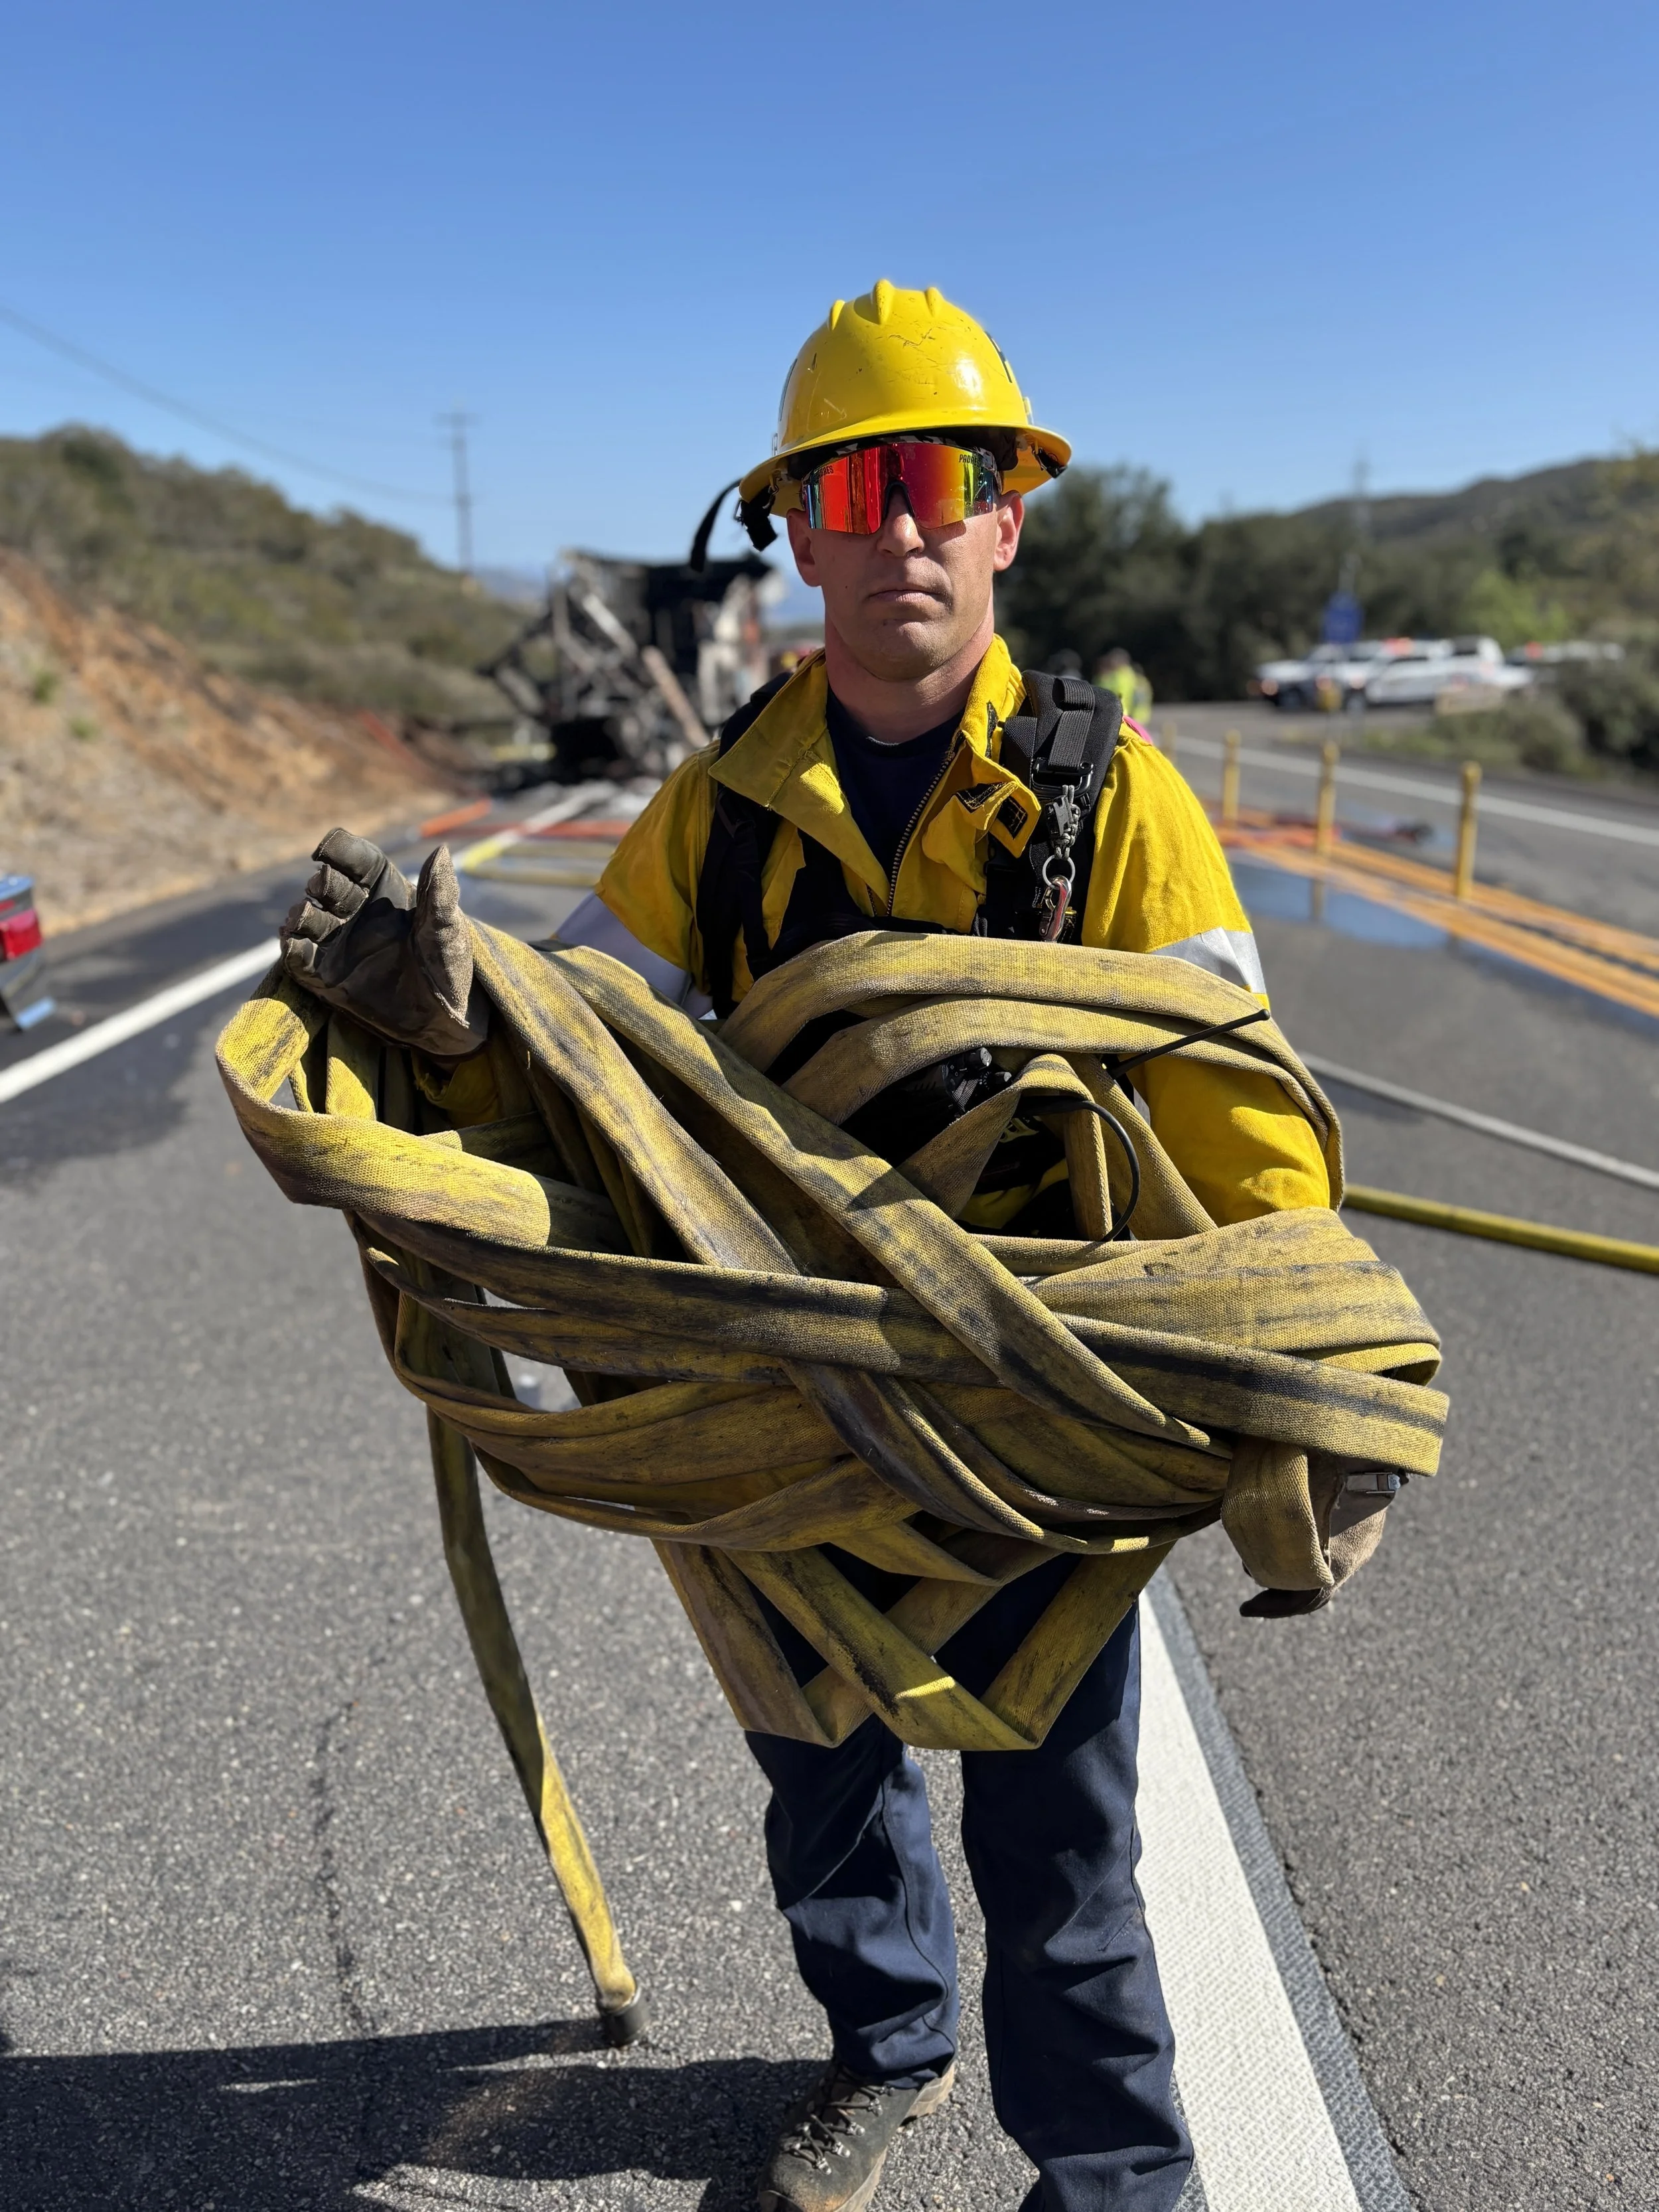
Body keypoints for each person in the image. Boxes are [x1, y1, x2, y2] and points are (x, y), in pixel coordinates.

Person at [280, 281, 1330, 2212]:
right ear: (794, 531)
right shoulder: (719, 813)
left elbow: (1239, 1119)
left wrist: (1297, 1371)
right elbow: (565, 1069)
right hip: (772, 1401)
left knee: (1053, 1821)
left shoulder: (1109, 805)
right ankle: (885, 2044)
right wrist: (428, 1024)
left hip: (1026, 1415)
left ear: (1005, 514)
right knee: (817, 1760)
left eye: (943, 477)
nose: (901, 523)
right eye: (852, 489)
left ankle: (1111, 2183)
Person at [1096, 647, 1153, 726]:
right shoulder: (1131, 676)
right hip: (1128, 715)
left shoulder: (1120, 676)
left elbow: (1116, 694)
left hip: (1121, 715)